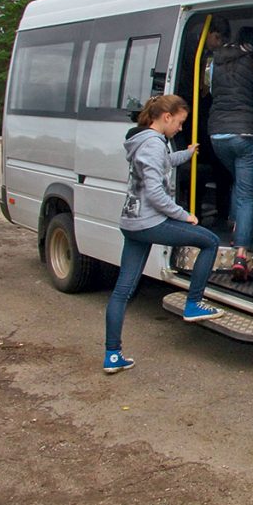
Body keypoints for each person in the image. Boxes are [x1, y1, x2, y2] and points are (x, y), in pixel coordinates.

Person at [104, 94, 223, 374]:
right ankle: (194, 303)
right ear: (166, 117)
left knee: (123, 290)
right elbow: (156, 193)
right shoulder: (153, 145)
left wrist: (187, 153)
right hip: (149, 222)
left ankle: (112, 355)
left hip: (131, 222)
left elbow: (163, 162)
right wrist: (185, 215)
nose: (180, 129)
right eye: (180, 123)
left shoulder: (142, 141)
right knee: (210, 241)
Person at [207, 19, 253, 279]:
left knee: (241, 180)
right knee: (248, 193)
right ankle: (240, 254)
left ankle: (233, 221)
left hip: (217, 134)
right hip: (247, 134)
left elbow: (212, 91)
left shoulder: (215, 62)